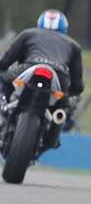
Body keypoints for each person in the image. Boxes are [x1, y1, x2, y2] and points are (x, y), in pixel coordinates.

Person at [0, 10, 83, 147]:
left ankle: (3, 108)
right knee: (64, 108)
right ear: (64, 28)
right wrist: (70, 96)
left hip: (28, 68)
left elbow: (6, 61)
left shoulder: (28, 34)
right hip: (60, 76)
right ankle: (58, 121)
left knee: (5, 79)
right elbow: (78, 84)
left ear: (40, 23)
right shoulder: (74, 46)